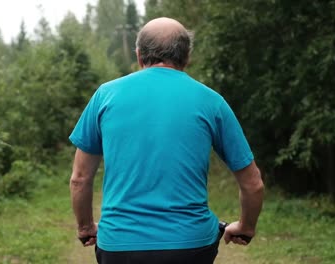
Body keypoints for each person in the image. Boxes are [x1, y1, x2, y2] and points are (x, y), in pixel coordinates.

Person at [69, 17, 264, 264]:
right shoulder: (211, 101)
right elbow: (253, 183)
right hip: (191, 247)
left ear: (139, 56)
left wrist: (86, 227)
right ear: (187, 57)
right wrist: (246, 227)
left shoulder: (105, 96)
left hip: (120, 246)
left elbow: (80, 179)